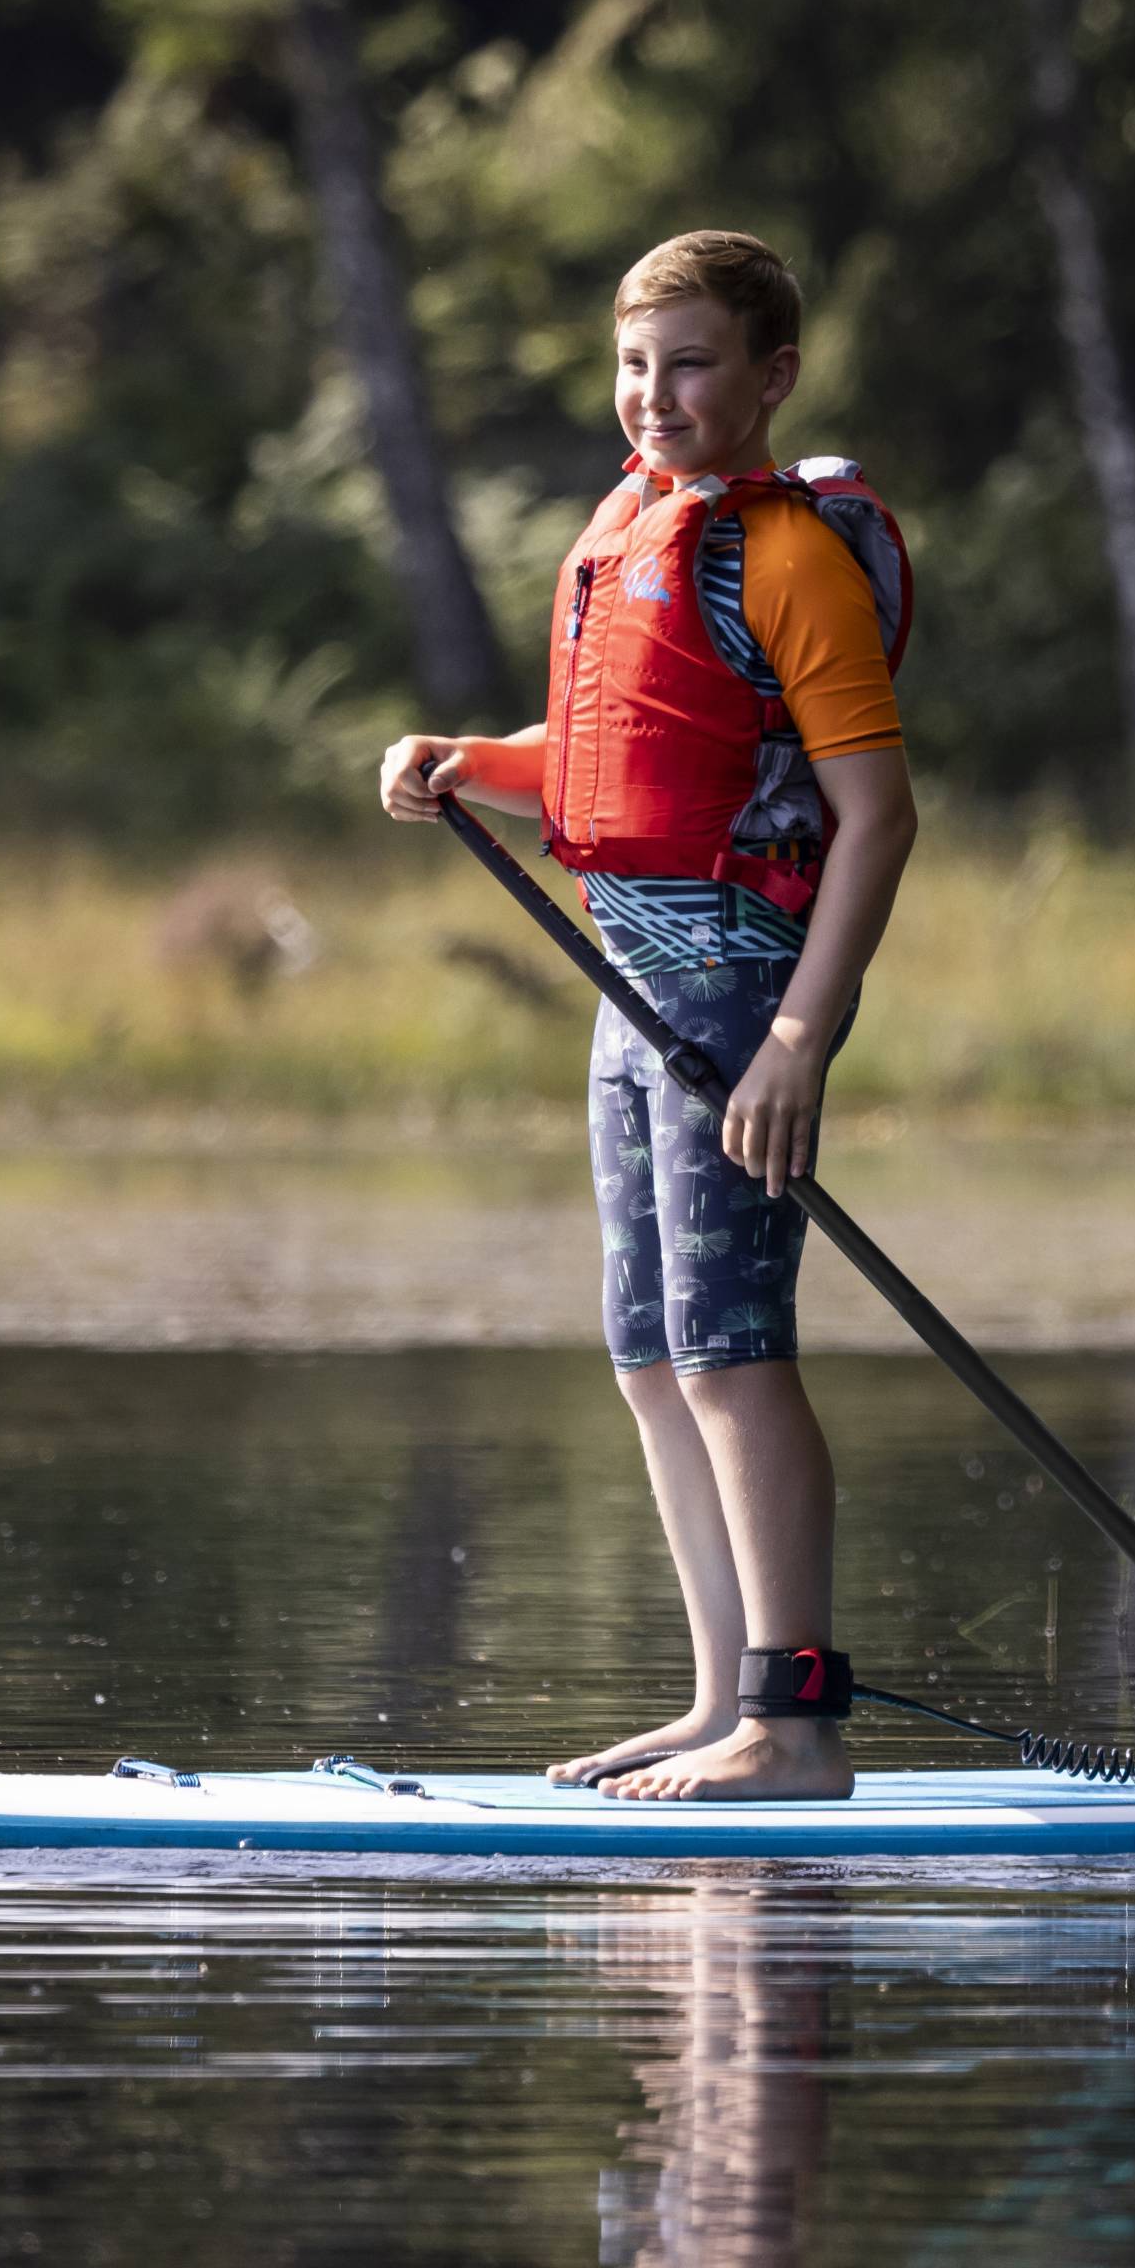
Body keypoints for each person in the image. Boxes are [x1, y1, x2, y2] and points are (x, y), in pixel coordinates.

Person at [380, 229, 916, 1803]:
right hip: (631, 989)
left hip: (745, 994)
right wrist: (470, 758)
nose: (653, 397)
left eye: (689, 364)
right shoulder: (635, 530)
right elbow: (623, 749)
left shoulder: (794, 557)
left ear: (773, 375)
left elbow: (877, 817)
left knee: (736, 1353)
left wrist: (800, 1041)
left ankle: (795, 1725)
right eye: (633, 364)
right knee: (651, 1354)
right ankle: (717, 1702)